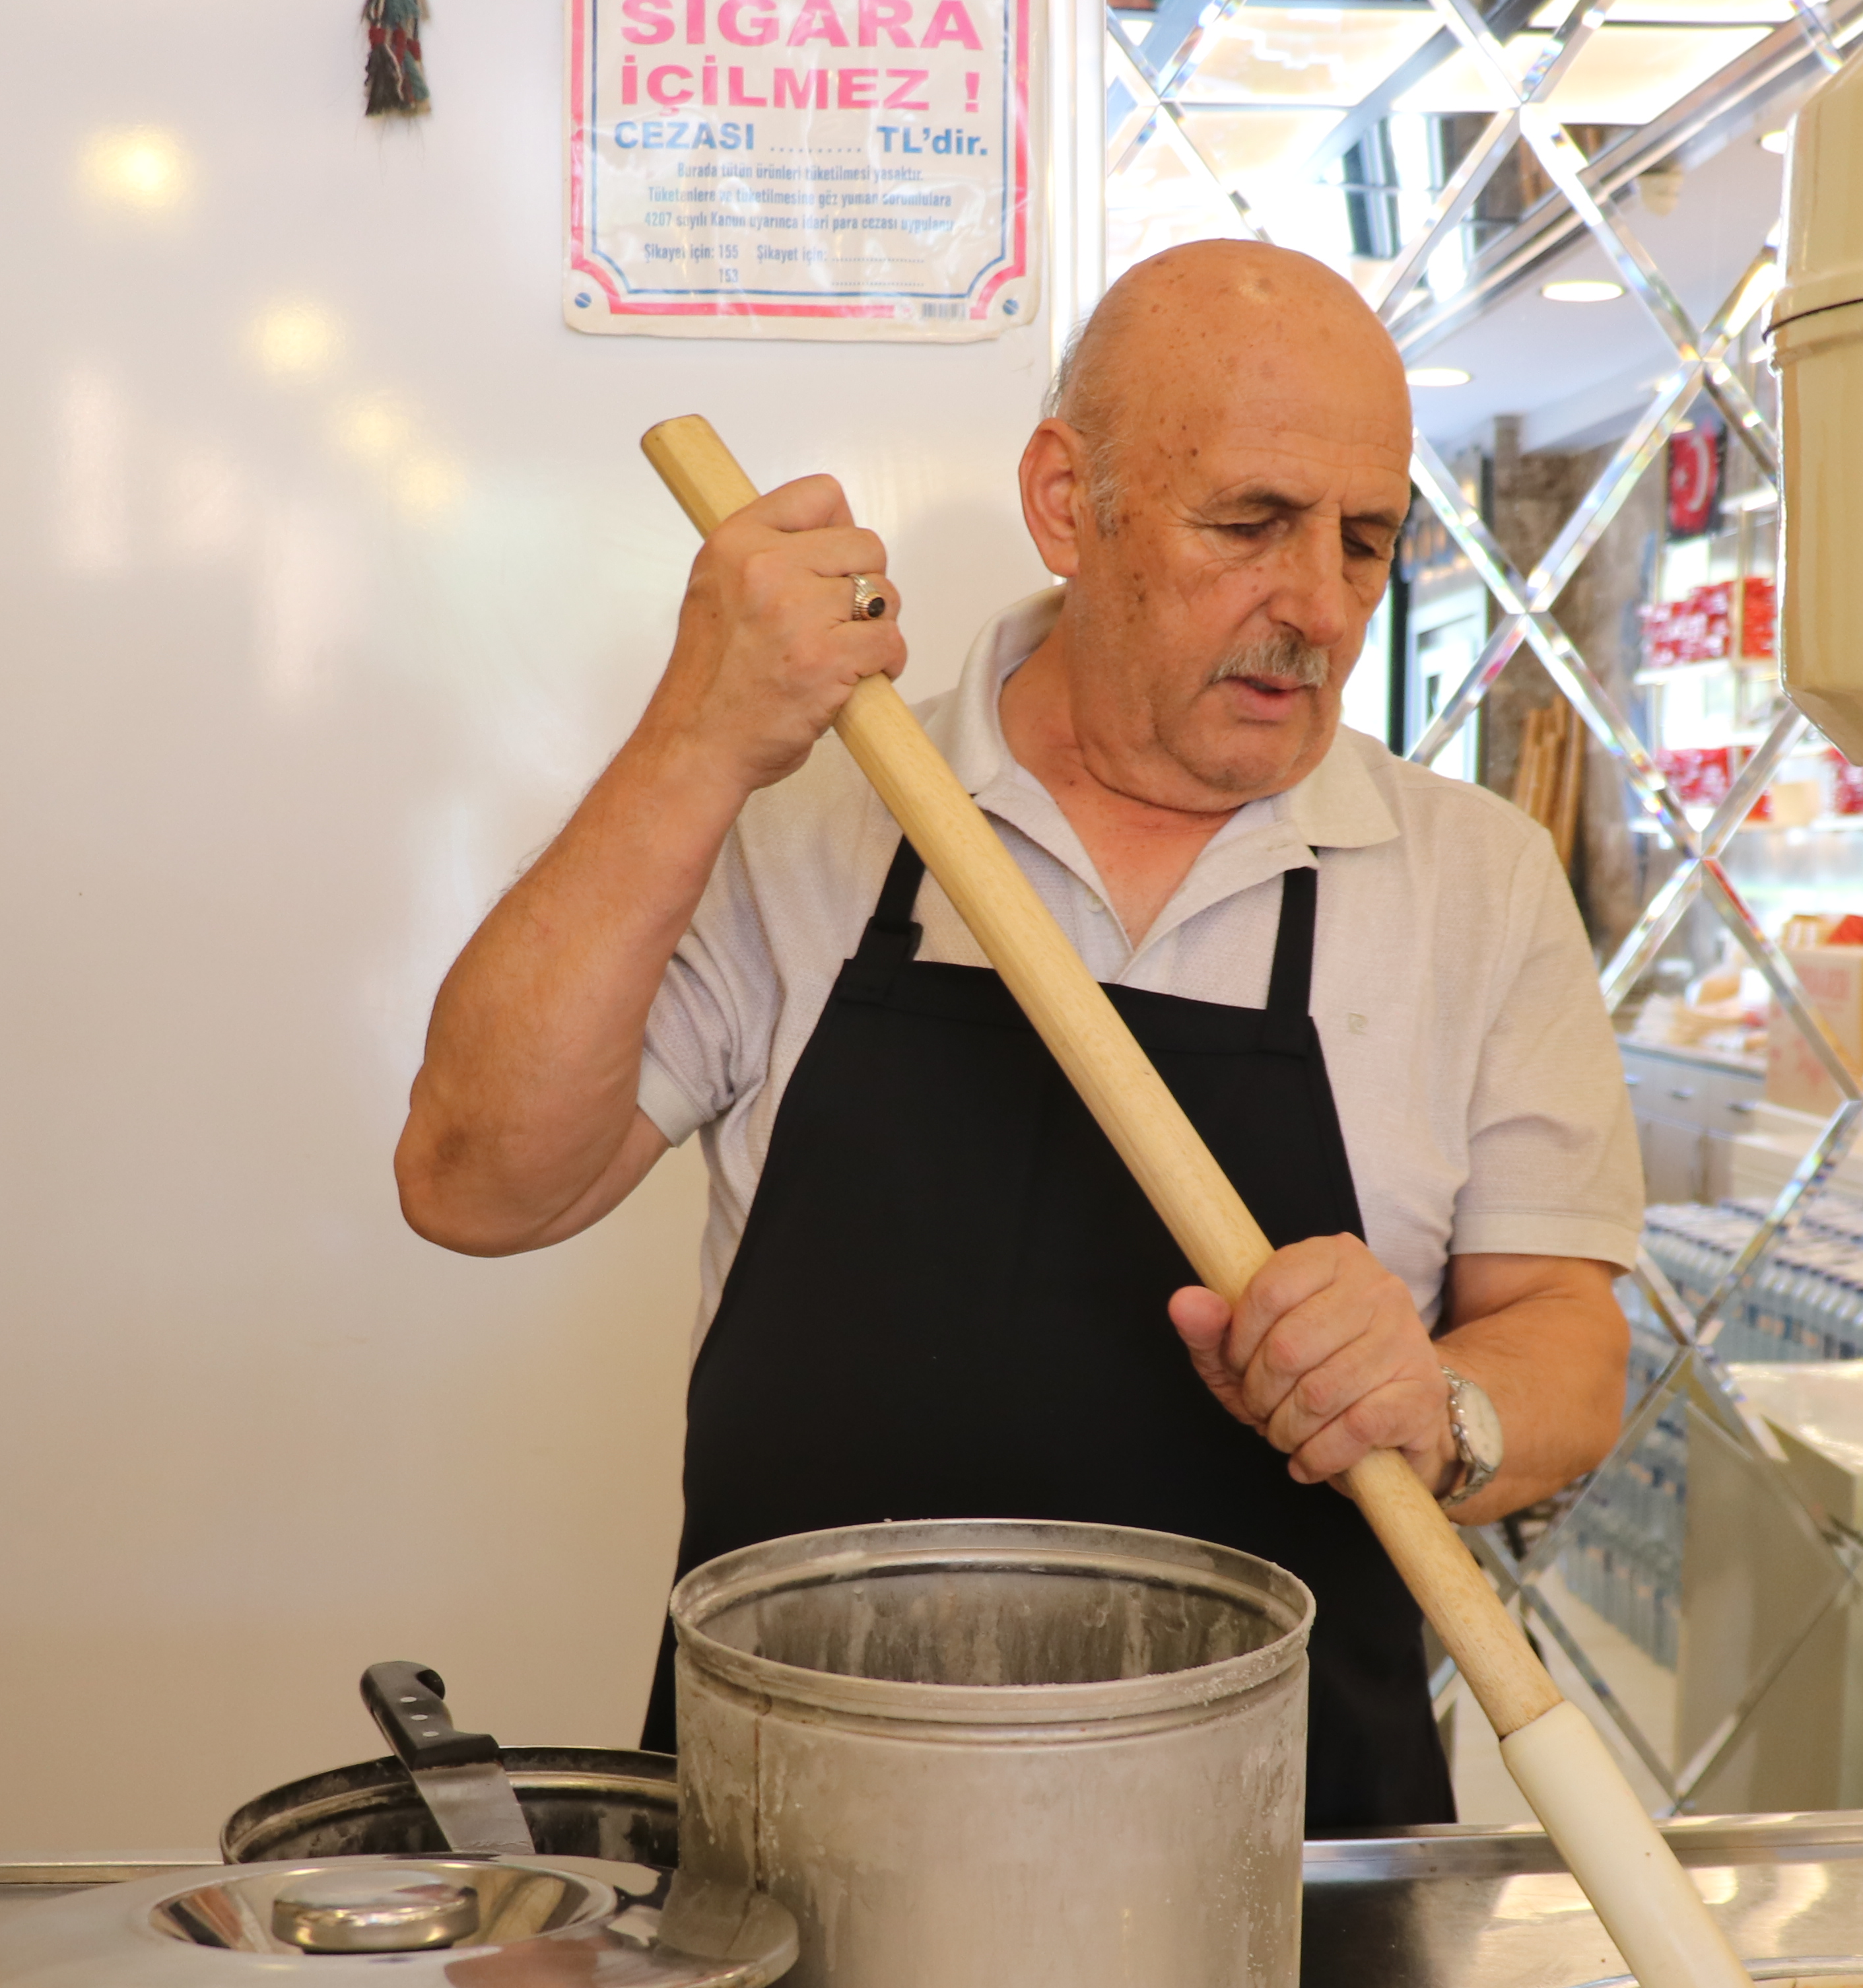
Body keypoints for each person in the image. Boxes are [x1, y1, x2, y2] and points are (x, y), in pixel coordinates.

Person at [395, 242, 1641, 1830]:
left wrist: (1443, 1406)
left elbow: (1567, 1347)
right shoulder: (811, 820)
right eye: (1251, 524)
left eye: (1365, 540)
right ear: (1067, 499)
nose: (1318, 606)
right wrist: (695, 739)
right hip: (803, 1841)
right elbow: (476, 1181)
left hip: (1285, 1862)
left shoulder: (1471, 881)